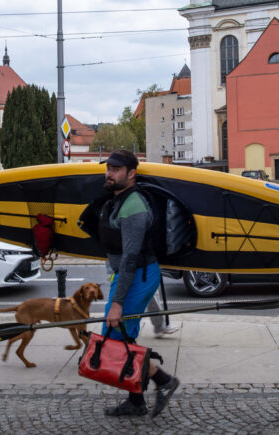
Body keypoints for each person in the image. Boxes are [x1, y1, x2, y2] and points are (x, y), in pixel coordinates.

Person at [98, 149, 180, 418]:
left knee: (113, 337)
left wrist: (117, 304)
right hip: (129, 275)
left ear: (131, 174)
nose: (110, 173)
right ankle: (136, 401)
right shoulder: (117, 200)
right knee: (123, 338)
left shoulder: (134, 206)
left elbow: (131, 258)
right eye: (108, 168)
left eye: (116, 169)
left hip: (138, 276)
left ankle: (163, 379)